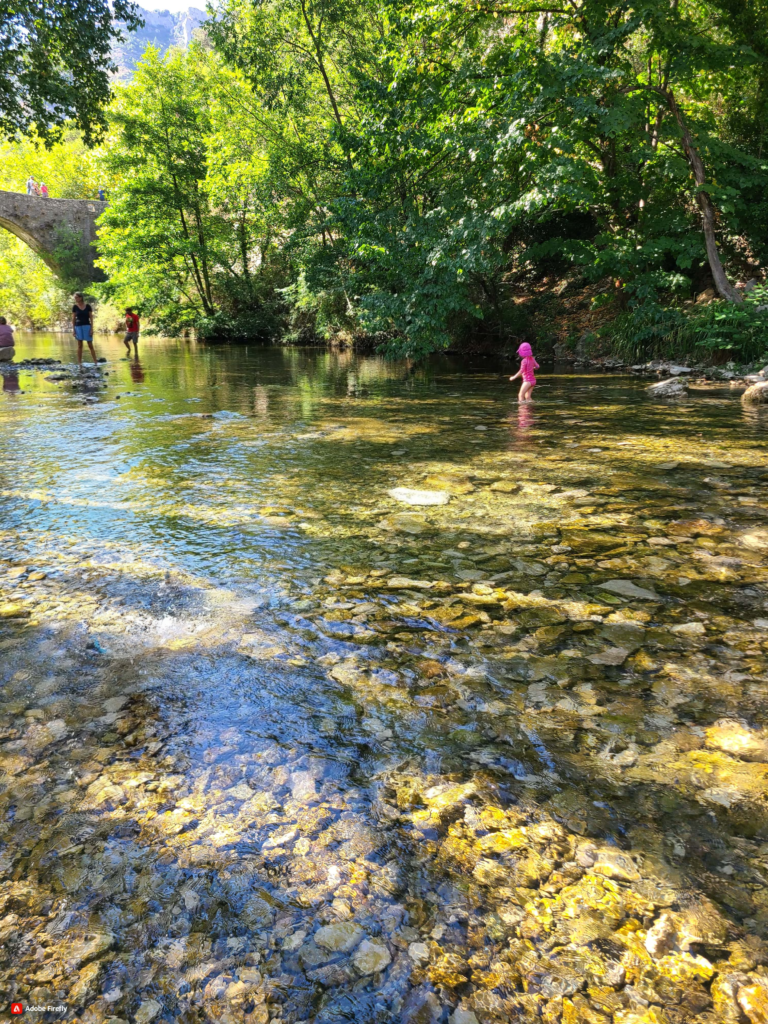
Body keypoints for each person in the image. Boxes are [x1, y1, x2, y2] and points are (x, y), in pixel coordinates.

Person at [72, 293, 97, 366]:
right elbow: (73, 318)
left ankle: (95, 362)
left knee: (90, 344)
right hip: (78, 326)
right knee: (80, 345)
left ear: (81, 298)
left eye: (76, 297)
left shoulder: (88, 306)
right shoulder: (75, 307)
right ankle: (79, 363)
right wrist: (73, 330)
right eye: (75, 298)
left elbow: (91, 318)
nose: (75, 299)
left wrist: (92, 328)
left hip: (87, 326)